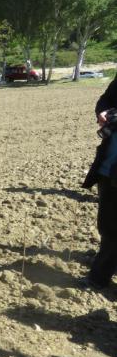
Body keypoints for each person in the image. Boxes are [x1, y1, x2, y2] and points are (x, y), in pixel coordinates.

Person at [82, 74, 117, 289]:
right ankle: (100, 277)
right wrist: (103, 112)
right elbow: (106, 99)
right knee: (108, 226)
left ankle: (98, 278)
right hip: (109, 168)